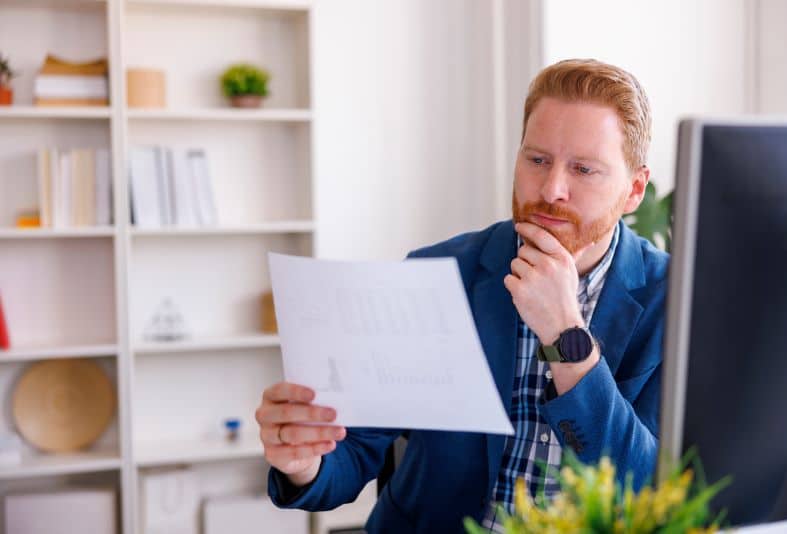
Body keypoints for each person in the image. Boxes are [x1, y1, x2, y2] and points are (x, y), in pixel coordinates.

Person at [255, 59, 669, 533]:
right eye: (536, 160)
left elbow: (654, 491)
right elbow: (354, 451)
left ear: (635, 189)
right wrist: (303, 461)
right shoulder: (440, 273)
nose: (552, 188)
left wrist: (564, 334)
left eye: (583, 169)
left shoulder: (675, 303)